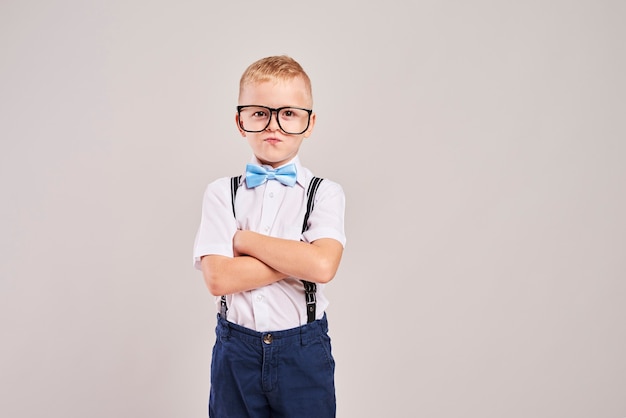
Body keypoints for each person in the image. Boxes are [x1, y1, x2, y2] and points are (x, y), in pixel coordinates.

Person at [193, 55, 346, 418]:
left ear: (309, 123)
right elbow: (219, 278)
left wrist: (243, 241)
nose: (273, 125)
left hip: (303, 350)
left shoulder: (324, 193)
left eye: (289, 114)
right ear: (240, 121)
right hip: (236, 351)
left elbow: (323, 267)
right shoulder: (221, 192)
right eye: (260, 113)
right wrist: (298, 257)